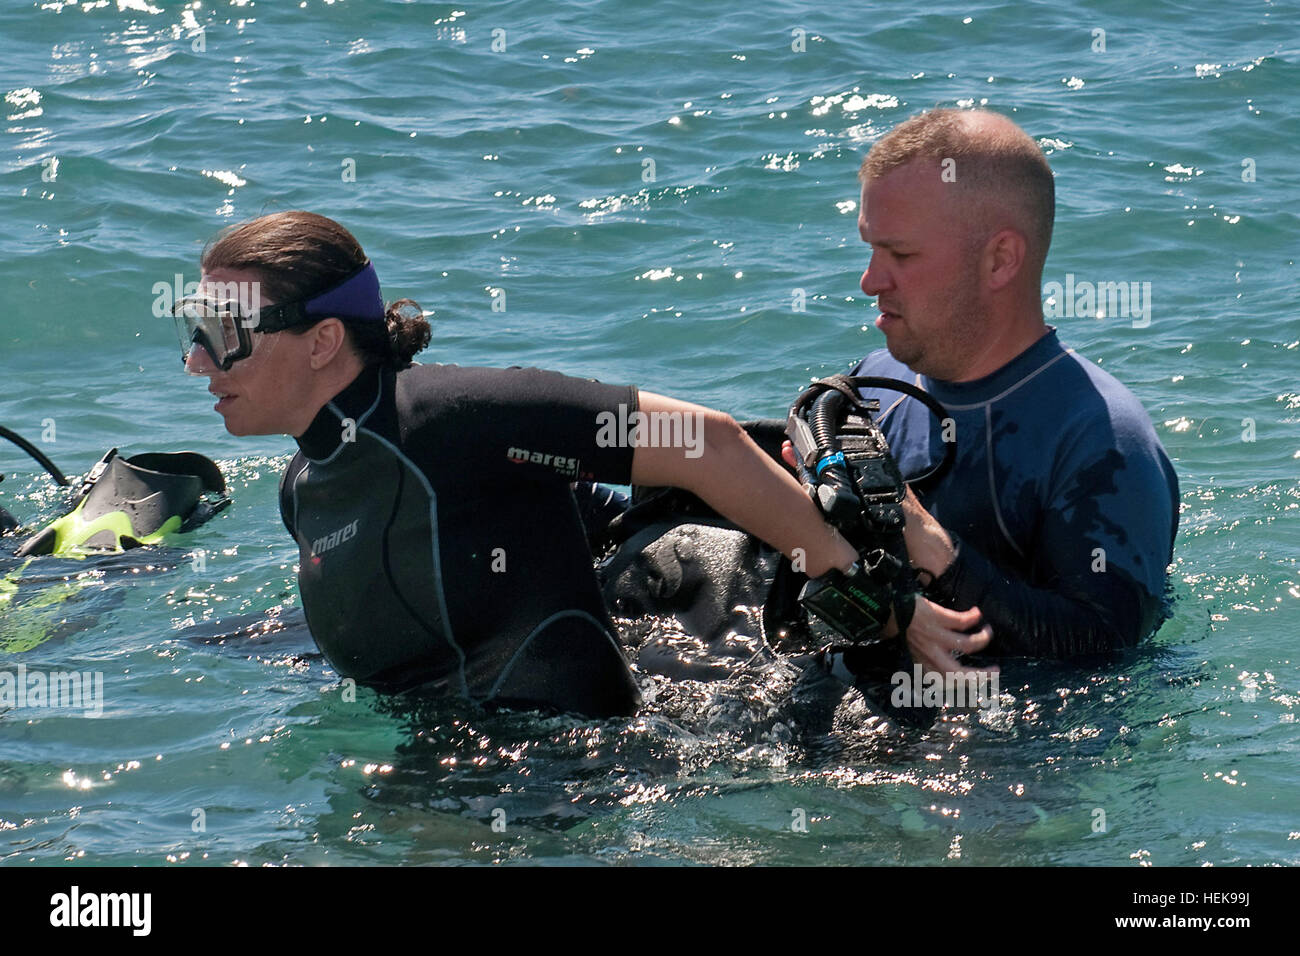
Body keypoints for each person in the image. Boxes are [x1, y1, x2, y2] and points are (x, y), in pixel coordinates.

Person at [171, 211, 983, 718]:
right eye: (193, 329)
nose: (199, 363)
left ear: (321, 341)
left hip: (585, 788)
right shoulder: (303, 489)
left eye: (225, 331)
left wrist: (871, 597)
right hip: (441, 784)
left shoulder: (455, 418)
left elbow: (706, 443)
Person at [836, 108, 1179, 675]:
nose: (871, 281)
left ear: (1000, 260)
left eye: (901, 255)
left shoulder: (1102, 442)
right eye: (870, 249)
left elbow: (1106, 649)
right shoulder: (872, 388)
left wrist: (926, 541)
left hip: (1003, 746)